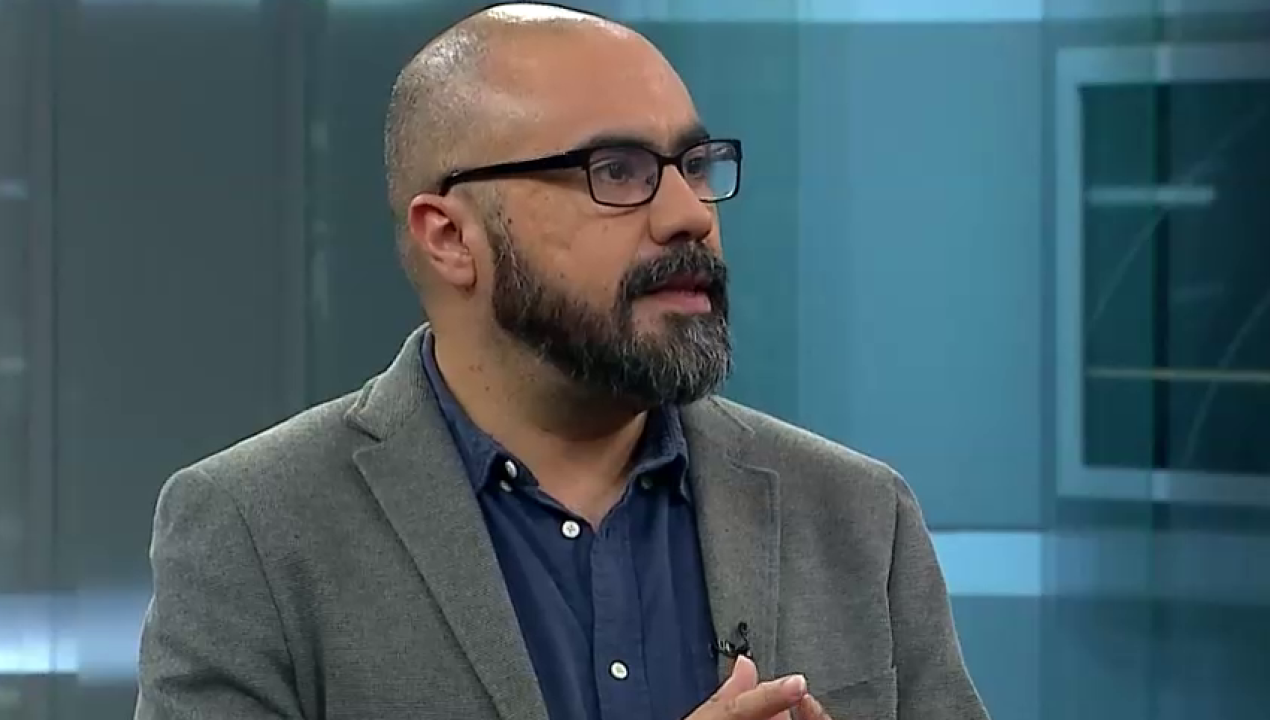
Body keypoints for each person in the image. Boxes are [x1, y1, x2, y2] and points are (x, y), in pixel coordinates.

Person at [133, 3, 990, 720]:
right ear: (451, 237)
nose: (689, 214)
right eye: (616, 171)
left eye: (695, 166)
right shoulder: (256, 531)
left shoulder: (857, 516)